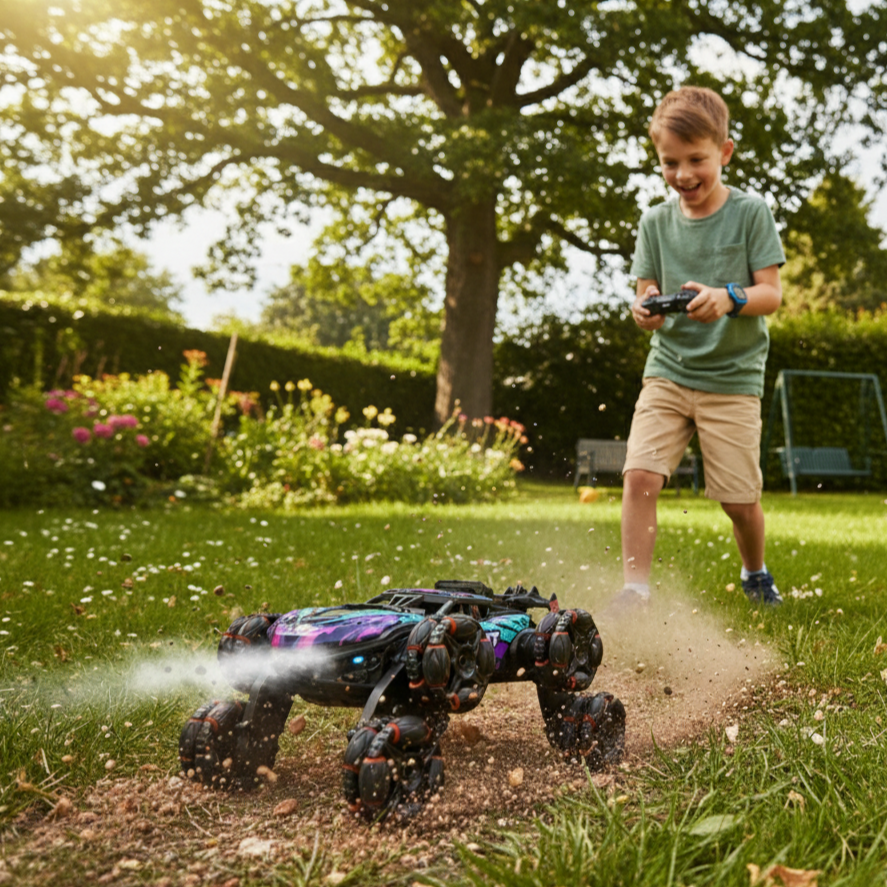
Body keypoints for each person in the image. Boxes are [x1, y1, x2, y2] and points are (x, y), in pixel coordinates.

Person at [614, 85, 785, 611]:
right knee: (640, 475)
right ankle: (635, 590)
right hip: (668, 370)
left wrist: (728, 298)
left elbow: (771, 294)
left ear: (724, 152)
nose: (683, 174)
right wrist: (644, 309)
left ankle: (754, 572)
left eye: (696, 160)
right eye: (670, 162)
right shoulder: (654, 223)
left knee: (739, 500)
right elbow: (645, 292)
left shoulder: (750, 213)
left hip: (731, 378)